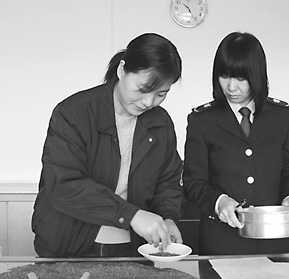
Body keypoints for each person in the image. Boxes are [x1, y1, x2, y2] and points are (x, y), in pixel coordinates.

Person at [32, 33, 184, 257]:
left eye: (161, 94)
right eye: (142, 89)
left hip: (133, 248)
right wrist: (131, 215)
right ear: (122, 70)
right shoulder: (74, 114)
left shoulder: (160, 123)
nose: (148, 102)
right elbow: (64, 185)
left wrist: (168, 217)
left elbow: (168, 183)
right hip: (68, 245)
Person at [182, 32, 289, 255]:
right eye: (224, 76)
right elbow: (193, 182)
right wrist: (219, 202)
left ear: (257, 75)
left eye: (240, 78)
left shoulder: (281, 116)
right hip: (222, 240)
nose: (231, 87)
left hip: (274, 239)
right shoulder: (202, 121)